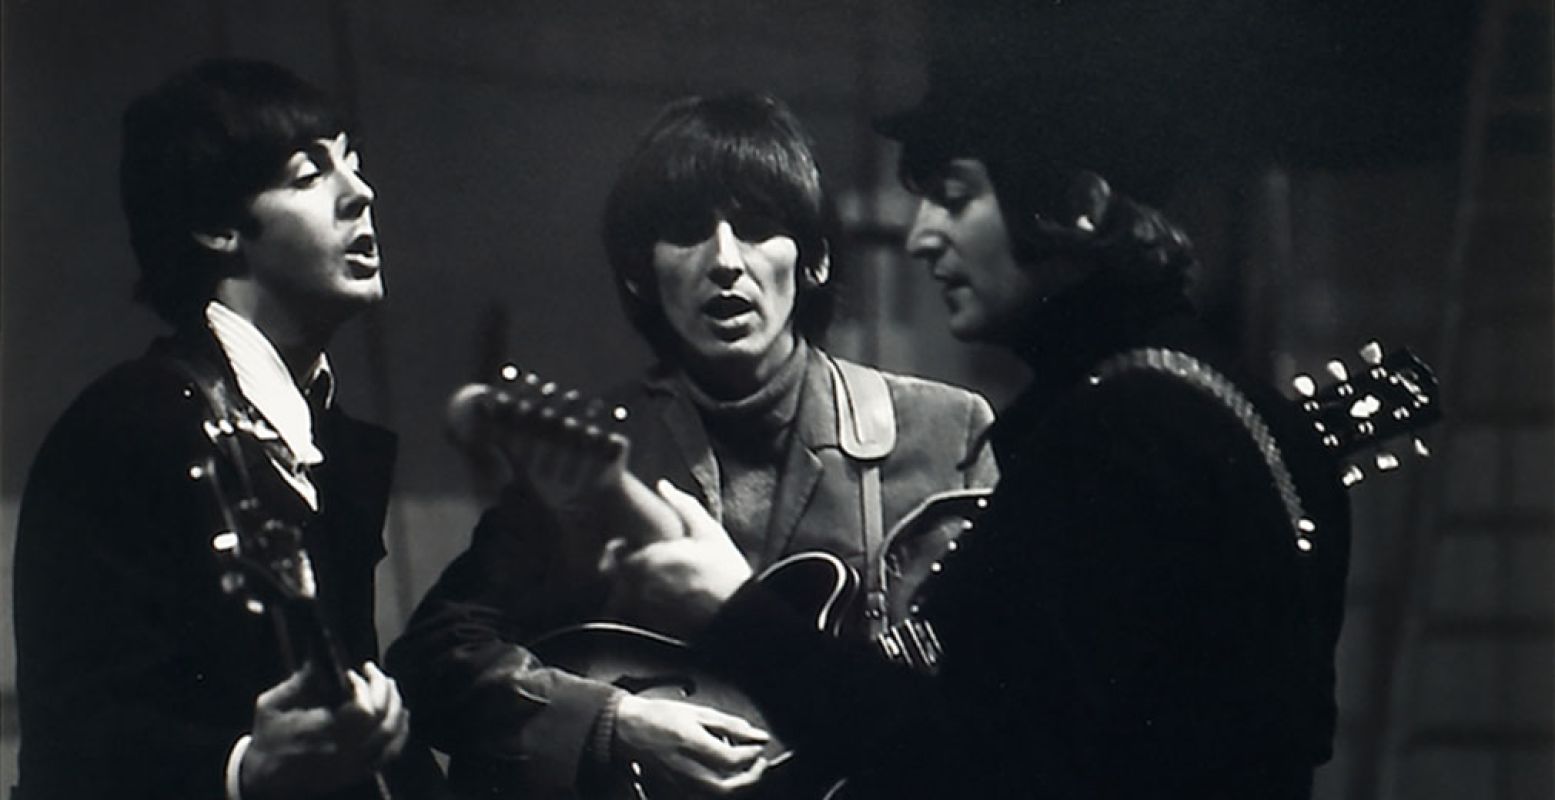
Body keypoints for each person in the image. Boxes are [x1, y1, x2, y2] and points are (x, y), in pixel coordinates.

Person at [603, 80, 1354, 798]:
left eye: (955, 199)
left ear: (1078, 207)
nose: (921, 236)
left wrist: (735, 617)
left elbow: (976, 765)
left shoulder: (1113, 435)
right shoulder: (1230, 406)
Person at [384, 91, 998, 797]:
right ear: (639, 275)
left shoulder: (946, 431)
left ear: (816, 261)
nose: (724, 261)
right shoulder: (592, 450)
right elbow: (433, 658)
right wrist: (613, 724)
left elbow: (1001, 699)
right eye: (685, 232)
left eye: (758, 227)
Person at [13, 58, 444, 799]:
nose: (361, 193)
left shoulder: (325, 438)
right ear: (216, 227)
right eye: (310, 175)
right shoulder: (125, 429)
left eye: (354, 163)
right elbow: (69, 749)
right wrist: (247, 771)